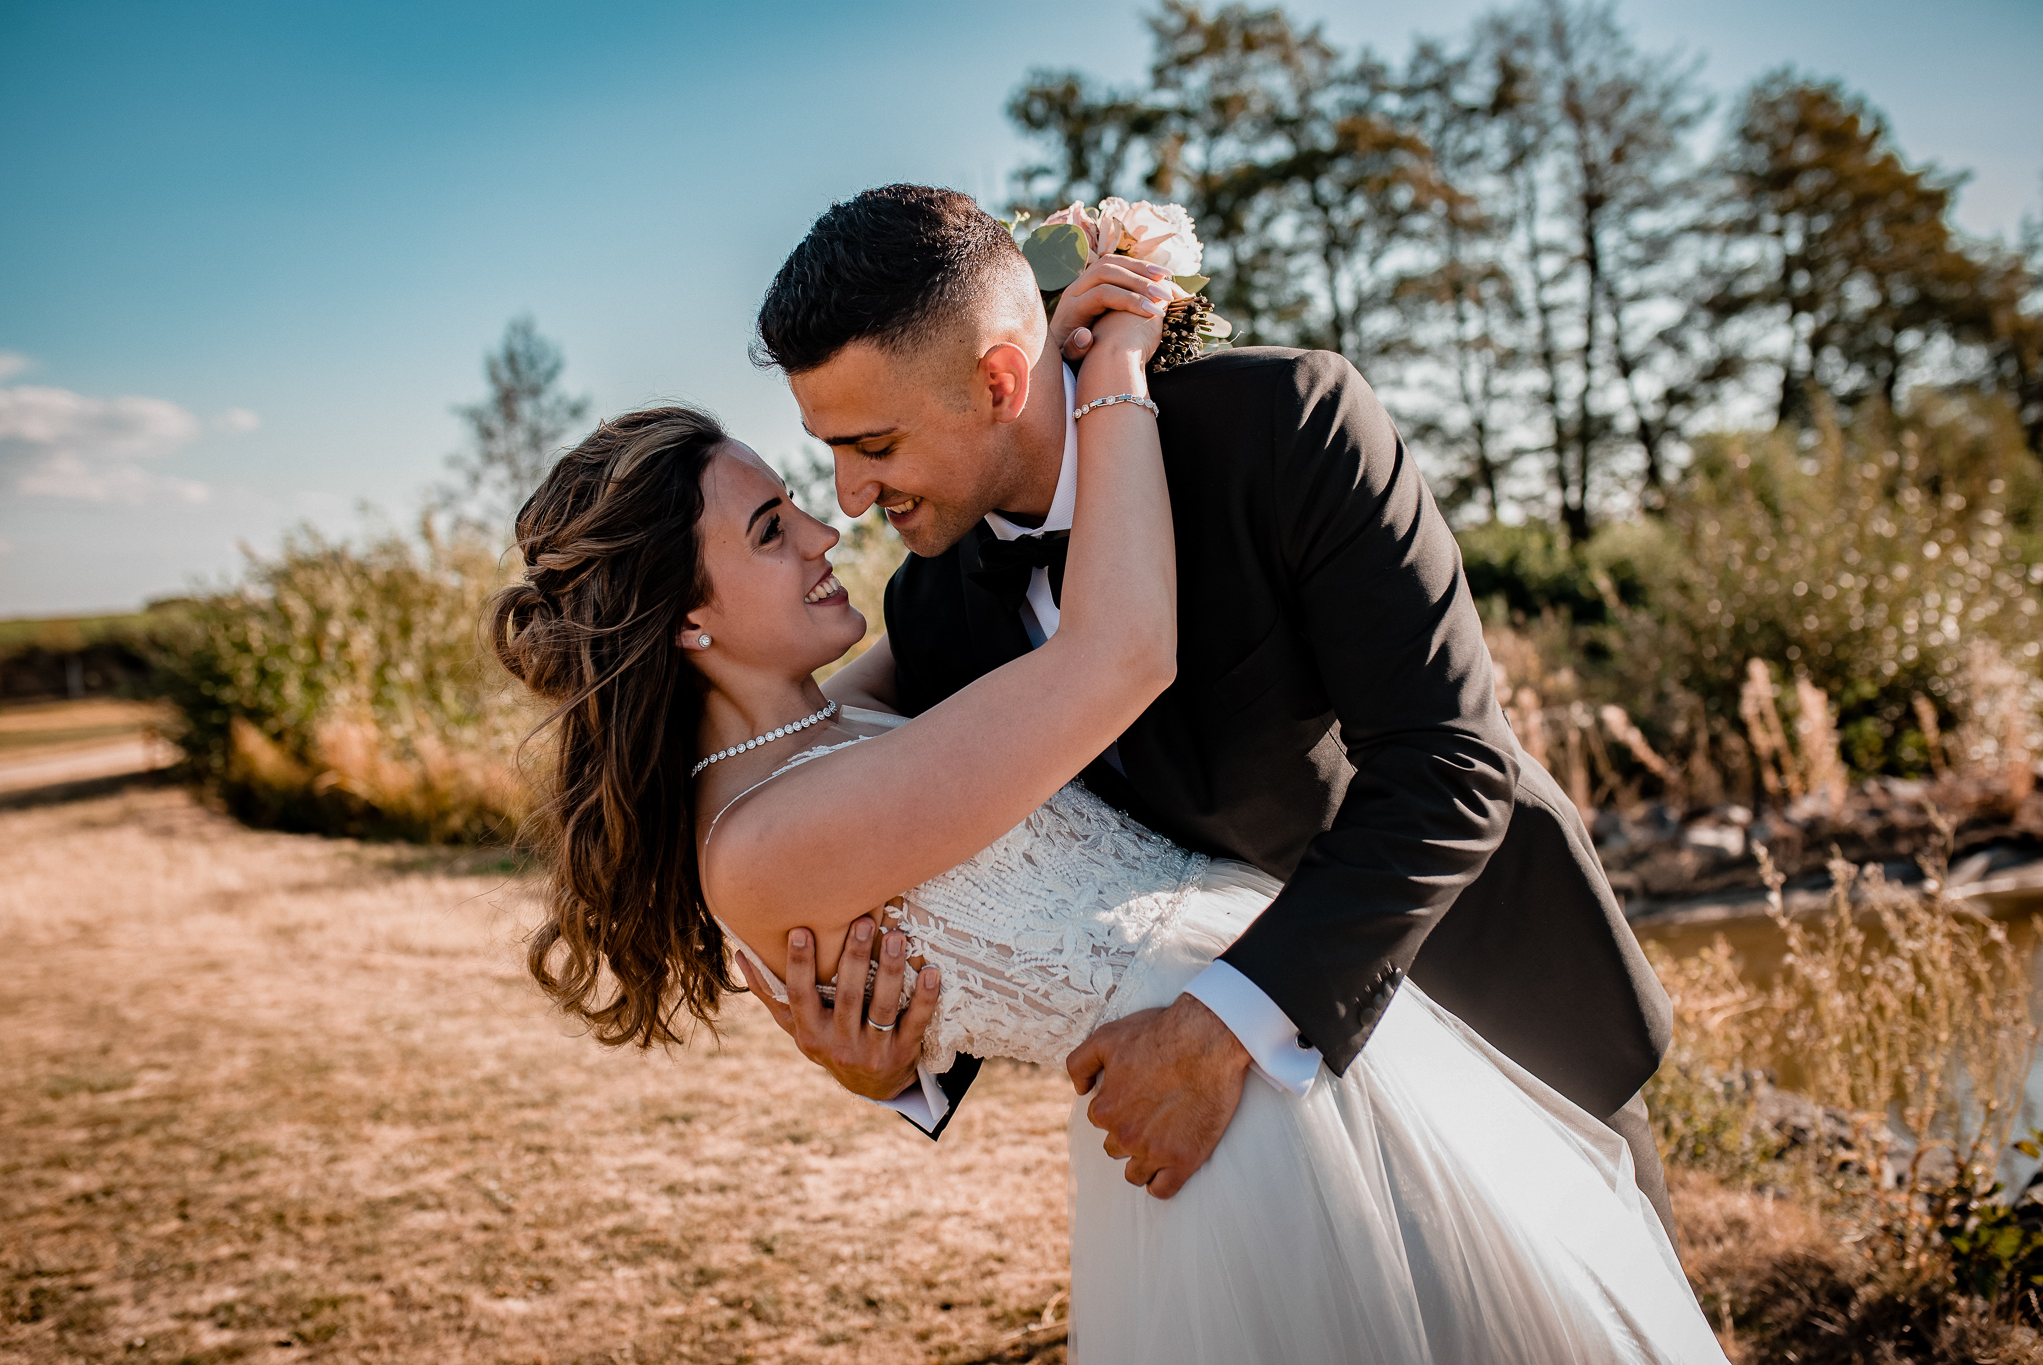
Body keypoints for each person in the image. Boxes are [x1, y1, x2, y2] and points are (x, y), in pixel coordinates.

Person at [485, 192, 1726, 1359]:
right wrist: (893, 1062)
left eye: (868, 446)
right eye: (824, 462)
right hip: (1227, 1141)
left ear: (997, 379)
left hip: (1477, 997)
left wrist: (1228, 1020)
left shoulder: (1284, 424)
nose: (847, 507)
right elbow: (955, 875)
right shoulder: (929, 607)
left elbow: (1451, 767)